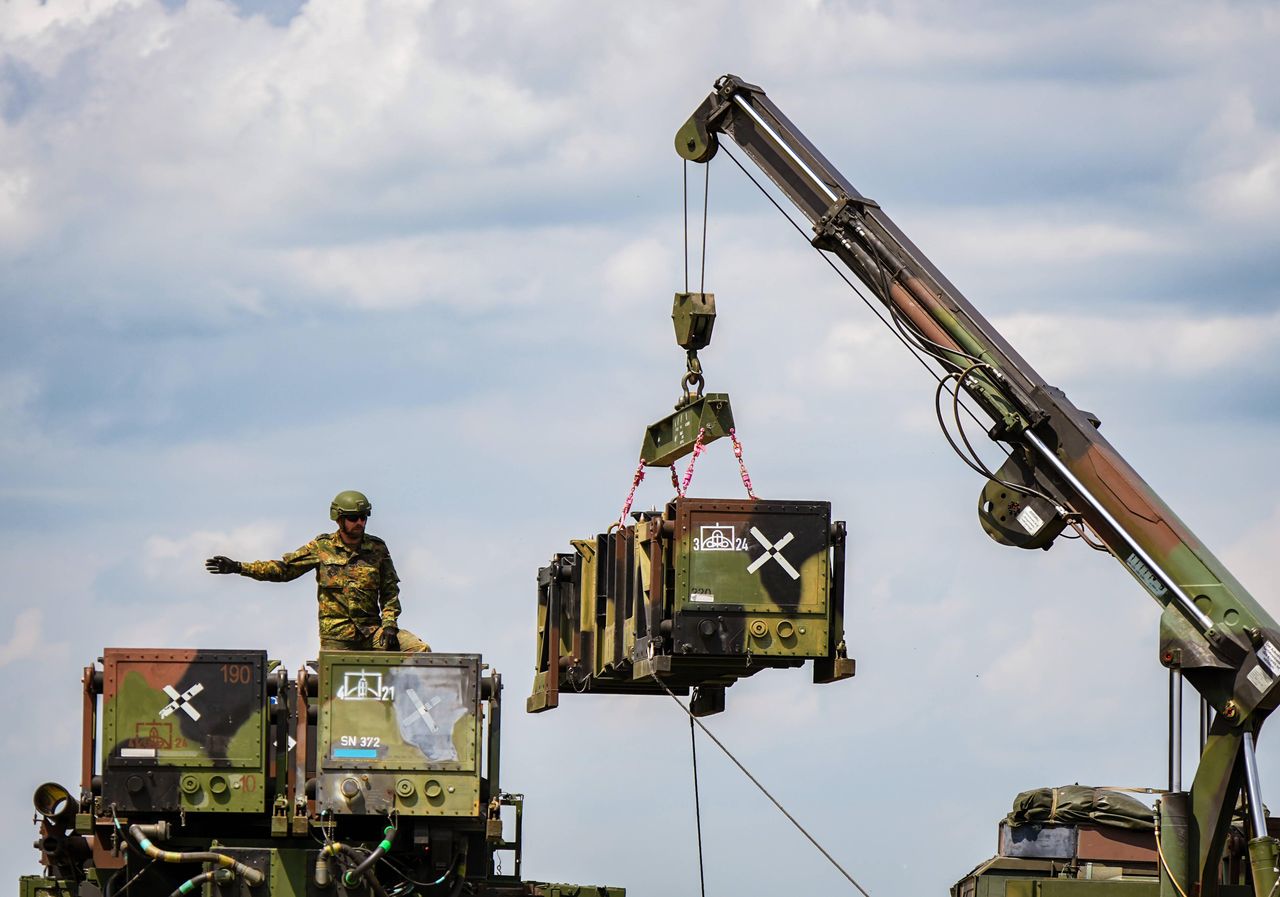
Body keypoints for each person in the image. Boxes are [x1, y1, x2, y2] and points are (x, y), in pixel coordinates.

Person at [205, 490, 429, 652]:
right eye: (353, 518)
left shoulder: (377, 549)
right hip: (338, 639)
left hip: (373, 633)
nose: (359, 522)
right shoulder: (321, 548)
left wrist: (389, 625)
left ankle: (408, 710)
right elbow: (284, 570)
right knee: (337, 690)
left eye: (363, 517)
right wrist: (238, 567)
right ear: (339, 519)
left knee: (419, 650)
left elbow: (390, 591)